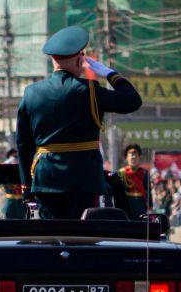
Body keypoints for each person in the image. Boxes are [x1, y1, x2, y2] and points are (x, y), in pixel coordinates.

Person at [15, 25, 142, 220]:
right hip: (84, 179)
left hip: (45, 179)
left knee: (51, 240)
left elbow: (23, 144)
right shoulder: (89, 90)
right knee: (82, 240)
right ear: (79, 59)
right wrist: (110, 74)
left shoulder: (31, 92)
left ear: (52, 60)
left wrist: (26, 186)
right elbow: (133, 101)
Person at [118, 144, 151, 219]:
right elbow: (119, 191)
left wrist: (150, 205)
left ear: (139, 158)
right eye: (131, 157)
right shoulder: (122, 173)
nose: (133, 158)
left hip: (140, 203)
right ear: (127, 158)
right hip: (127, 203)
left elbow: (148, 190)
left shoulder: (144, 172)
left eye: (135, 156)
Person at [2, 149, 28, 219]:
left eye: (16, 156)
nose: (14, 159)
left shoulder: (22, 169)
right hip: (10, 202)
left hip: (21, 203)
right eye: (12, 157)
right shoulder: (5, 169)